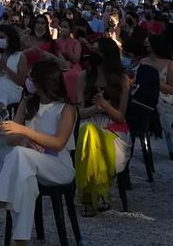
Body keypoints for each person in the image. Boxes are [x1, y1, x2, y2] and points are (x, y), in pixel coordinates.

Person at [0, 60, 76, 246]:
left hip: (58, 166)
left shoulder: (67, 109)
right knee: (25, 177)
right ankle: (20, 240)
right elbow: (10, 140)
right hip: (30, 164)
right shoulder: (28, 103)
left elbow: (57, 143)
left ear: (42, 82)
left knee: (18, 155)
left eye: (31, 77)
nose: (28, 81)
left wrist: (26, 133)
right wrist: (25, 141)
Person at [75, 38, 131, 215]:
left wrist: (105, 106)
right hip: (89, 122)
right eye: (94, 50)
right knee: (88, 132)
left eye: (98, 51)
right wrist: (96, 107)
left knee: (89, 135)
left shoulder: (122, 79)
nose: (94, 54)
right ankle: (97, 195)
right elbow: (79, 112)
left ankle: (88, 197)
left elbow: (120, 117)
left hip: (114, 130)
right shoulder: (84, 76)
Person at [0, 24, 30, 135]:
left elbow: (21, 81)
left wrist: (6, 69)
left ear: (10, 38)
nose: (0, 40)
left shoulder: (20, 56)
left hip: (13, 89)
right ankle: (1, 106)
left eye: (2, 37)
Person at [144, 33, 173, 157]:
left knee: (157, 101)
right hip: (146, 95)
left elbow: (171, 89)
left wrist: (155, 83)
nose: (146, 44)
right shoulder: (143, 61)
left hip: (163, 96)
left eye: (148, 42)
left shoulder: (170, 64)